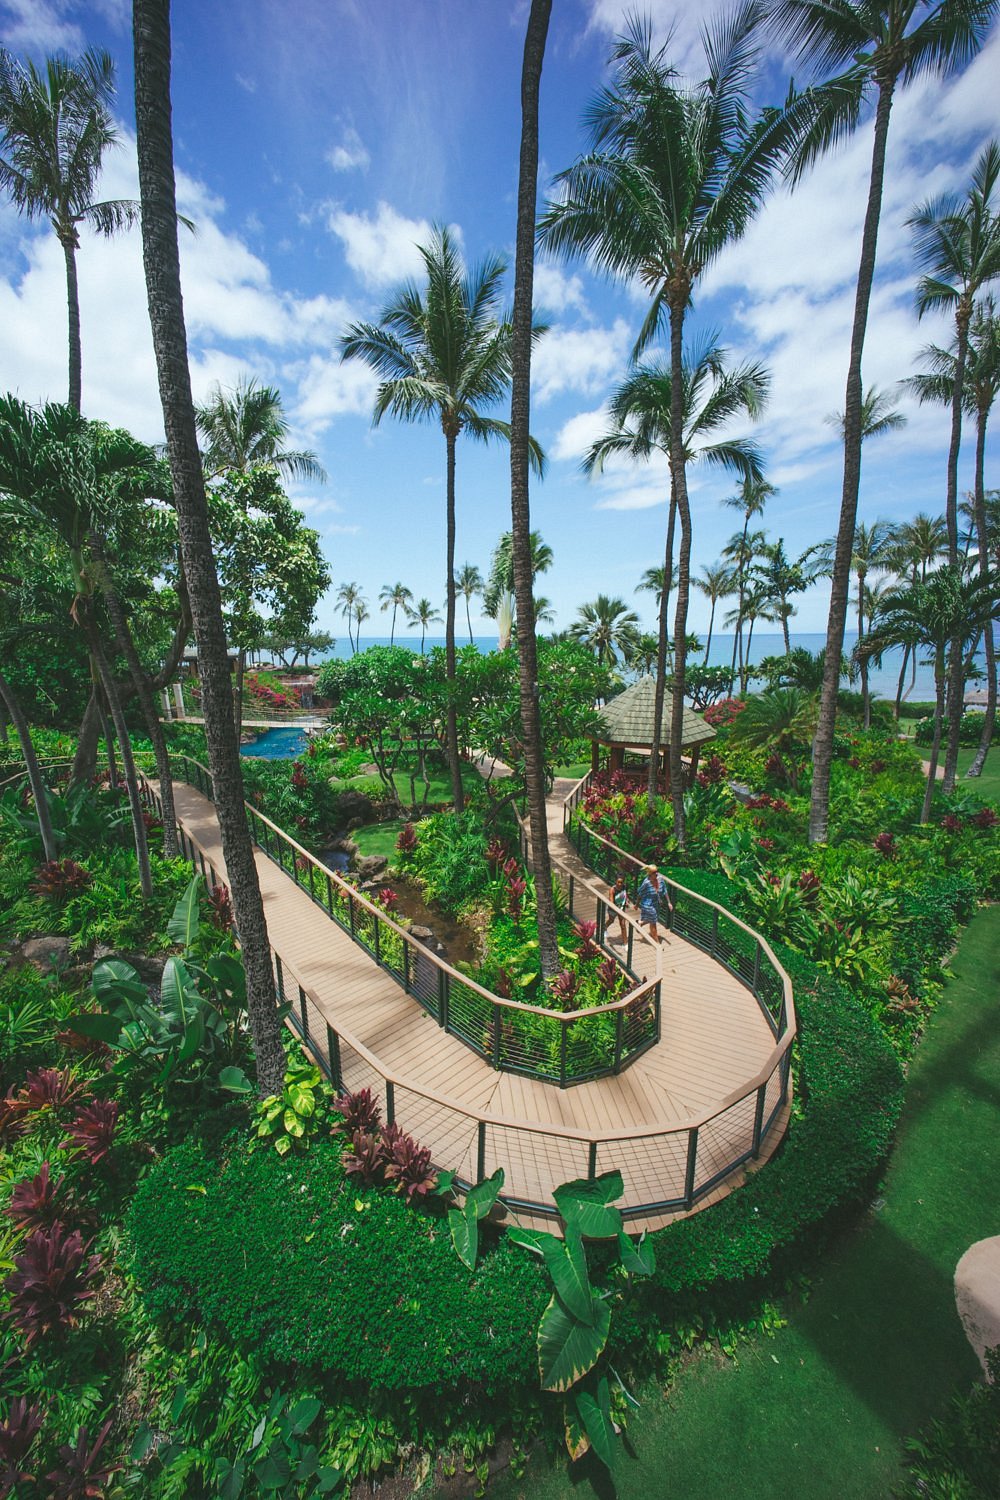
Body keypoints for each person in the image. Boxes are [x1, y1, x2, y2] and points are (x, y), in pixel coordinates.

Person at [637, 863, 671, 944]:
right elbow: (640, 893)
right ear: (650, 874)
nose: (656, 873)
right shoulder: (646, 883)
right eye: (654, 872)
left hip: (656, 903)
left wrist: (669, 902)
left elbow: (665, 890)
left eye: (657, 871)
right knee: (653, 923)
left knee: (654, 918)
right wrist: (636, 904)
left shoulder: (660, 879)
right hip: (647, 905)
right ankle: (657, 943)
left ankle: (640, 923)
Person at [607, 873, 629, 943]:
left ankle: (625, 943)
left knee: (623, 925)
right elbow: (611, 902)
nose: (620, 884)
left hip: (621, 907)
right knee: (611, 920)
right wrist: (616, 909)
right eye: (618, 882)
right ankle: (604, 928)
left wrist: (626, 901)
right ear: (615, 881)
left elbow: (625, 894)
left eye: (621, 882)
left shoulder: (624, 887)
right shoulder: (612, 890)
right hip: (613, 908)